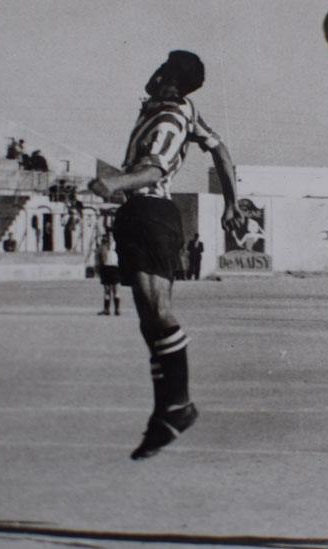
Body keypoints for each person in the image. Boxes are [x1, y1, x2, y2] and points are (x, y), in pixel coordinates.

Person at [86, 50, 244, 460]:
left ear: (170, 78)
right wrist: (232, 203)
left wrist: (115, 182)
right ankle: (167, 410)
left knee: (156, 313)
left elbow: (155, 170)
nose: (152, 72)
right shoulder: (179, 111)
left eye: (161, 69)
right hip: (142, 214)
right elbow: (221, 151)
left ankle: (179, 404)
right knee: (149, 318)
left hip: (151, 212)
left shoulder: (172, 117)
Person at [96, 235, 120, 315]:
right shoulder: (116, 245)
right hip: (115, 268)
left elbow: (99, 261)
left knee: (107, 290)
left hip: (106, 268)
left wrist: (98, 270)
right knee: (116, 290)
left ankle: (107, 309)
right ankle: (117, 309)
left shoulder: (101, 247)